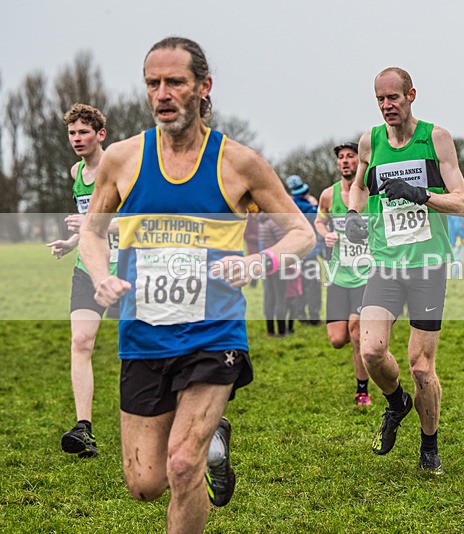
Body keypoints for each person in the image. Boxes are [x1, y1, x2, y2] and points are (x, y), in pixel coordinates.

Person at [78, 37, 314, 532]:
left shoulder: (239, 162)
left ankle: (201, 443)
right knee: (146, 483)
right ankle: (214, 438)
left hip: (214, 332)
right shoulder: (122, 160)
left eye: (175, 82)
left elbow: (301, 233)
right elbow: (92, 235)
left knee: (183, 464)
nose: (162, 94)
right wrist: (100, 277)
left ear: (204, 87)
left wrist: (257, 263)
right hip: (144, 333)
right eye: (152, 83)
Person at [345, 67, 464, 474]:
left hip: (426, 265)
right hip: (385, 262)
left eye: (393, 98)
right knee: (371, 350)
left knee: (421, 365)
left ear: (411, 95)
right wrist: (352, 212)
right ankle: (397, 401)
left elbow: (463, 202)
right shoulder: (371, 140)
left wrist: (420, 195)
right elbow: (361, 185)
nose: (386, 106)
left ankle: (429, 445)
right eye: (380, 99)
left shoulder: (435, 138)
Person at [47, 103, 118, 458]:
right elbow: (86, 221)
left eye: (84, 132)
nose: (77, 138)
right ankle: (83, 429)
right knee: (80, 342)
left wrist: (92, 225)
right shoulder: (76, 171)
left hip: (123, 269)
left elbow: (133, 220)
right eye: (72, 133)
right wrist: (71, 241)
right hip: (87, 268)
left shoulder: (119, 167)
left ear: (100, 134)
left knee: (141, 350)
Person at [314, 142, 372, 405]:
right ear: (337, 164)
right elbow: (319, 220)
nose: (346, 161)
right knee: (338, 340)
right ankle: (369, 343)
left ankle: (362, 390)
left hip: (365, 274)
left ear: (359, 161)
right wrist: (326, 234)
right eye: (341, 158)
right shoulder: (328, 194)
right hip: (338, 276)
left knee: (356, 330)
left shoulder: (370, 194)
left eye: (350, 156)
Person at [286, 174, 323, 325]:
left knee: (299, 285)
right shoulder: (309, 208)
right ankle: (314, 316)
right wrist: (315, 204)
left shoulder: (289, 206)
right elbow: (319, 219)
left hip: (295, 252)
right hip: (310, 252)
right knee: (313, 286)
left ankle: (300, 314)